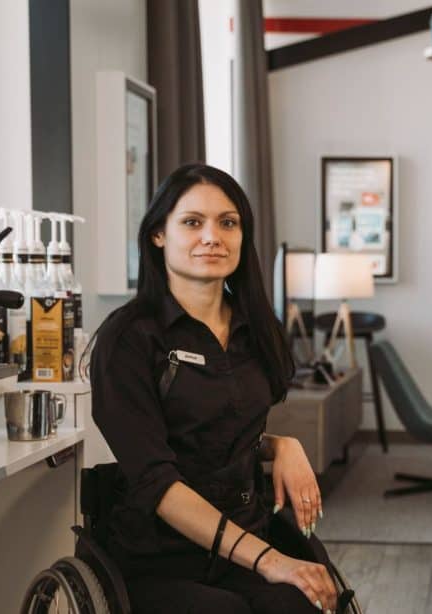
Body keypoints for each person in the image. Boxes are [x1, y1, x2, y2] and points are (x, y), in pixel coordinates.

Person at [90, 164, 339, 613]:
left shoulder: (258, 329)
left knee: (305, 603)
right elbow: (156, 480)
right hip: (159, 556)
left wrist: (280, 445)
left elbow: (216, 429)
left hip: (246, 536)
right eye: (192, 222)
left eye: (228, 222)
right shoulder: (127, 339)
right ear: (158, 234)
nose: (212, 237)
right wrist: (269, 561)